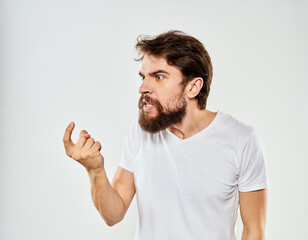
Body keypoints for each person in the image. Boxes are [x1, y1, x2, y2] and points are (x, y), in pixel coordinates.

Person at [63, 30, 268, 240]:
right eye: (143, 77)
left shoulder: (241, 139)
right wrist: (95, 171)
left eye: (158, 77)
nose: (143, 87)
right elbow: (113, 214)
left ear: (193, 87)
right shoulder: (141, 131)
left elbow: (253, 231)